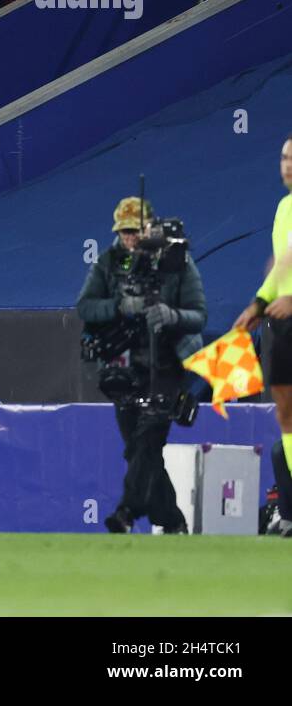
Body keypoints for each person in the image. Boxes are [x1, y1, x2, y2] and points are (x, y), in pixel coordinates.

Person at [76, 196, 206, 535]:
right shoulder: (108, 263)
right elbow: (86, 307)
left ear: (151, 227)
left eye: (136, 231)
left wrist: (171, 315)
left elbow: (199, 316)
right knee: (139, 448)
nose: (130, 238)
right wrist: (120, 306)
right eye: (124, 232)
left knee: (148, 437)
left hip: (167, 366)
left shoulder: (177, 261)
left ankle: (126, 512)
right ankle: (172, 521)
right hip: (125, 368)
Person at [233, 135, 292, 538]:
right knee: (286, 417)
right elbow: (284, 265)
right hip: (281, 323)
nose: (287, 164)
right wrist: (258, 305)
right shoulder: (284, 208)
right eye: (284, 156)